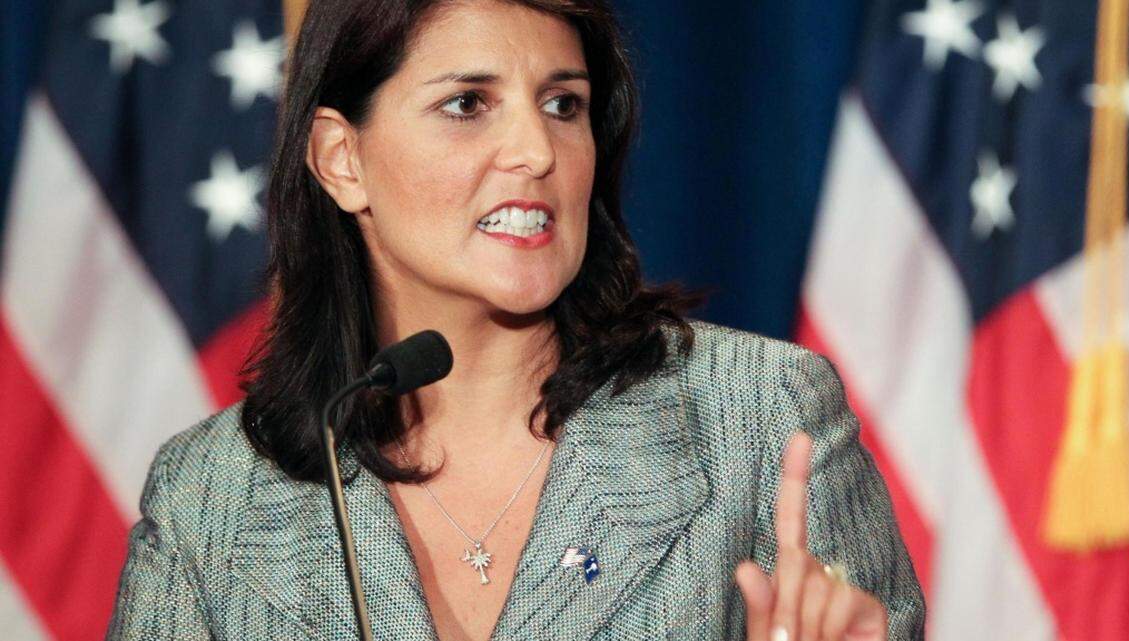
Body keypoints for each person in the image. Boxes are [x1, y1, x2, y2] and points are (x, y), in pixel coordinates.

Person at [106, 0, 925, 639]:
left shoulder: (759, 419)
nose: (537, 151)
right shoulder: (210, 499)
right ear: (341, 159)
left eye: (563, 104)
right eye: (468, 103)